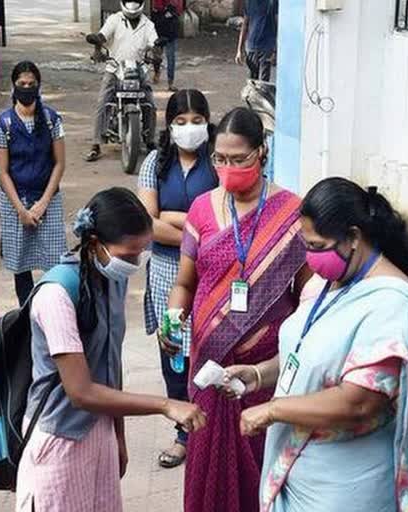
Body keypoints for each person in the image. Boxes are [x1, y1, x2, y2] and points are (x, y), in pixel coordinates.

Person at [222, 178, 408, 511]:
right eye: (305, 245)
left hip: (346, 489)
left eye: (318, 246)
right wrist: (259, 374)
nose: (311, 258)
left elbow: (359, 404)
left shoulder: (392, 304)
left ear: (353, 237)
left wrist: (273, 409)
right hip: (302, 473)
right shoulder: (337, 281)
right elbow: (314, 353)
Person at [15, 187, 206, 512]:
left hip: (98, 431)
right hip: (59, 439)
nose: (135, 263)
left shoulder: (112, 278)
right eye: (129, 255)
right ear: (94, 245)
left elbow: (110, 363)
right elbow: (81, 392)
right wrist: (164, 405)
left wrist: (118, 436)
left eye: (141, 253)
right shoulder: (55, 295)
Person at [162, 107, 310, 512]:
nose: (228, 168)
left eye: (238, 159)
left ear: (262, 152)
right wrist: (172, 319)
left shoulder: (292, 216)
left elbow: (307, 301)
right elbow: (185, 284)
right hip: (209, 370)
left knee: (263, 473)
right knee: (208, 470)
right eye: (220, 159)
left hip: (264, 375)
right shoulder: (202, 210)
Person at [137, 89, 218, 469]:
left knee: (211, 344)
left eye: (197, 121)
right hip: (168, 273)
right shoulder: (155, 162)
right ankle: (183, 432)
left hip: (212, 270)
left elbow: (227, 223)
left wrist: (172, 218)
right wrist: (199, 229)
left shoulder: (219, 161)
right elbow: (147, 223)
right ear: (169, 125)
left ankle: (212, 426)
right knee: (173, 348)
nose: (189, 128)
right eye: (181, 121)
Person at [0, 61, 67, 306]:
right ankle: (26, 310)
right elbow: (2, 172)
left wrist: (43, 203)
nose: (26, 88)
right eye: (21, 84)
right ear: (13, 86)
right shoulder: (3, 125)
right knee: (20, 262)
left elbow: (59, 163)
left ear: (38, 86)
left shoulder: (51, 120)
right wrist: (21, 210)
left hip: (48, 197)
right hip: (16, 200)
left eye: (31, 84)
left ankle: (52, 308)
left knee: (55, 262)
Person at [84, 0, 159, 162]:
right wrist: (96, 40)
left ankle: (150, 139)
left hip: (139, 69)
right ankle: (96, 144)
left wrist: (157, 48)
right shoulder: (114, 19)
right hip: (115, 68)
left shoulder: (148, 24)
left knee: (150, 104)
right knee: (102, 102)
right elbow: (102, 36)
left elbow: (155, 43)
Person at [235, 0, 278, 81]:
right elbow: (245, 25)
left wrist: (276, 50)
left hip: (266, 47)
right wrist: (239, 50)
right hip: (251, 46)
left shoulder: (273, 2)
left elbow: (277, 25)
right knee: (252, 82)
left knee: (263, 83)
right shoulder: (249, 2)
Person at [151, 0, 182, 91]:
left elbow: (179, 9)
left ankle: (169, 81)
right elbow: (157, 7)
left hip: (168, 28)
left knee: (169, 57)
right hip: (160, 27)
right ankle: (161, 75)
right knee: (158, 56)